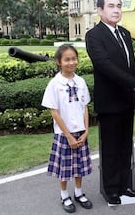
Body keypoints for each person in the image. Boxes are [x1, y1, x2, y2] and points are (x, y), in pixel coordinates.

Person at [85, 0, 135, 206]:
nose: (116, 10)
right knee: (111, 149)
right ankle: (111, 190)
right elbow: (105, 66)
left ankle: (126, 187)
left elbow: (130, 66)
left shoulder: (125, 33)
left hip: (126, 100)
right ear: (100, 10)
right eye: (110, 6)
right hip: (109, 103)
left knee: (126, 147)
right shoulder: (94, 35)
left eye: (118, 6)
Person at [41, 44, 93, 213]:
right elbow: (54, 112)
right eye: (67, 59)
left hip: (80, 131)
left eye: (74, 59)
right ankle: (64, 195)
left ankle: (78, 192)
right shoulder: (55, 84)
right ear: (59, 62)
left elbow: (85, 106)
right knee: (65, 167)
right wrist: (68, 136)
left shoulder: (81, 81)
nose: (71, 62)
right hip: (64, 134)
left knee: (79, 166)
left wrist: (86, 130)